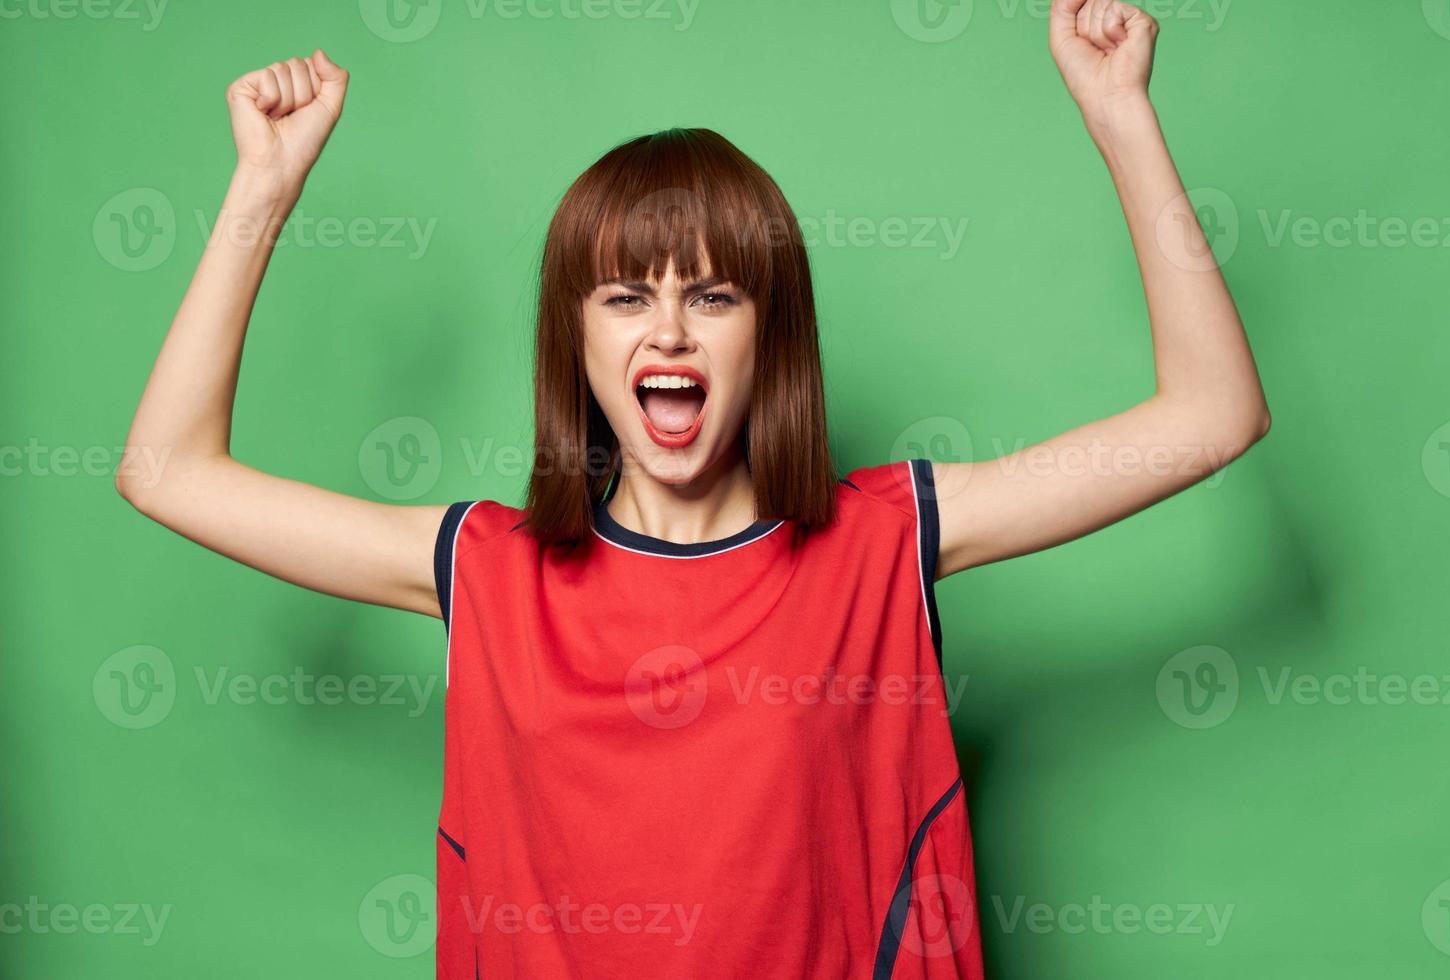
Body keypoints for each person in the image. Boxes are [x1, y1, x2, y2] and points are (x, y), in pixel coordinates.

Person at [115, 2, 1270, 976]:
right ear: (575, 343)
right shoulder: (487, 566)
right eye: (624, 296)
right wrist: (262, 187)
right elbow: (166, 471)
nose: (668, 326)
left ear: (773, 339)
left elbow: (1212, 414)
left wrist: (1122, 117)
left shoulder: (884, 540)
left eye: (714, 295)